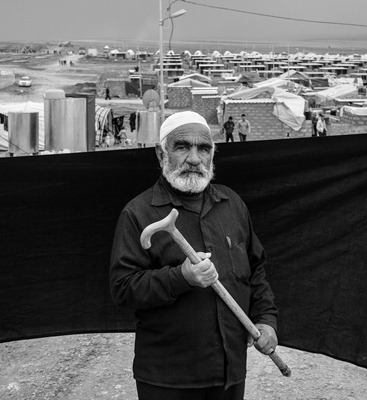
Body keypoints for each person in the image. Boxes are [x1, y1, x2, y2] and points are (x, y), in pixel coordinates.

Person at [110, 111, 278, 400]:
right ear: (160, 153)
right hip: (169, 379)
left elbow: (255, 268)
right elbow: (123, 289)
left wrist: (265, 319)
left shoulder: (232, 204)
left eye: (204, 148)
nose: (194, 158)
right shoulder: (137, 213)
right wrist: (182, 277)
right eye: (182, 146)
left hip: (230, 372)